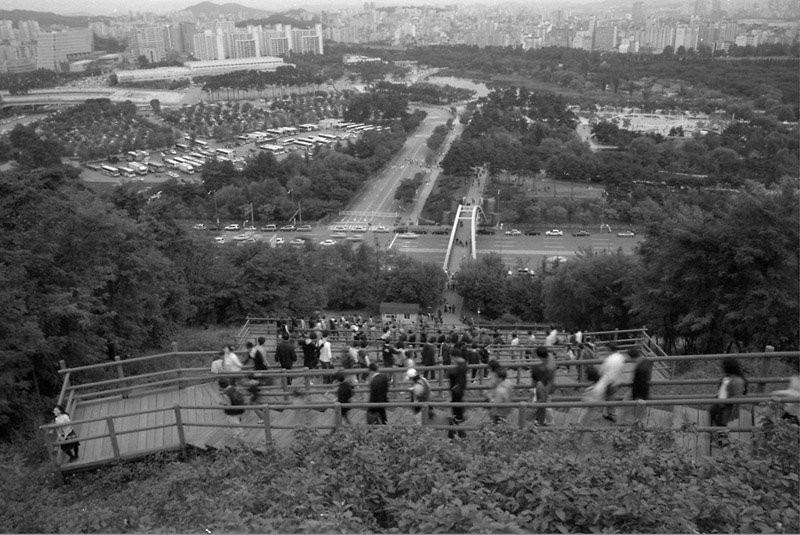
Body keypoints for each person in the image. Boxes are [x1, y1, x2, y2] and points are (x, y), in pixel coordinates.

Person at [708, 357, 748, 429]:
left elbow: (738, 396)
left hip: (727, 407)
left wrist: (726, 402)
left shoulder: (737, 381)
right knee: (713, 417)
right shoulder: (728, 377)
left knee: (722, 424)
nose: (721, 369)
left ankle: (721, 438)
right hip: (720, 404)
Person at [596, 344, 627, 423]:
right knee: (611, 398)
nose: (605, 351)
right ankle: (611, 414)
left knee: (601, 397)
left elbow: (602, 371)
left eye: (606, 349)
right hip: (617, 382)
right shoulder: (621, 357)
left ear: (610, 350)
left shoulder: (609, 360)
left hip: (608, 382)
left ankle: (599, 414)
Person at [627, 348, 652, 424]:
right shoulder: (646, 361)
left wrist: (635, 395)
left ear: (632, 358)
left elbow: (639, 383)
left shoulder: (639, 369)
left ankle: (637, 425)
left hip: (639, 392)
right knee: (638, 411)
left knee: (637, 411)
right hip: (644, 390)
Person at [448, 352, 468, 439]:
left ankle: (454, 434)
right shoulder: (463, 366)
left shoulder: (457, 367)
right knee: (457, 414)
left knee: (456, 414)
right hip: (459, 392)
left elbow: (450, 375)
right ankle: (458, 434)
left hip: (456, 392)